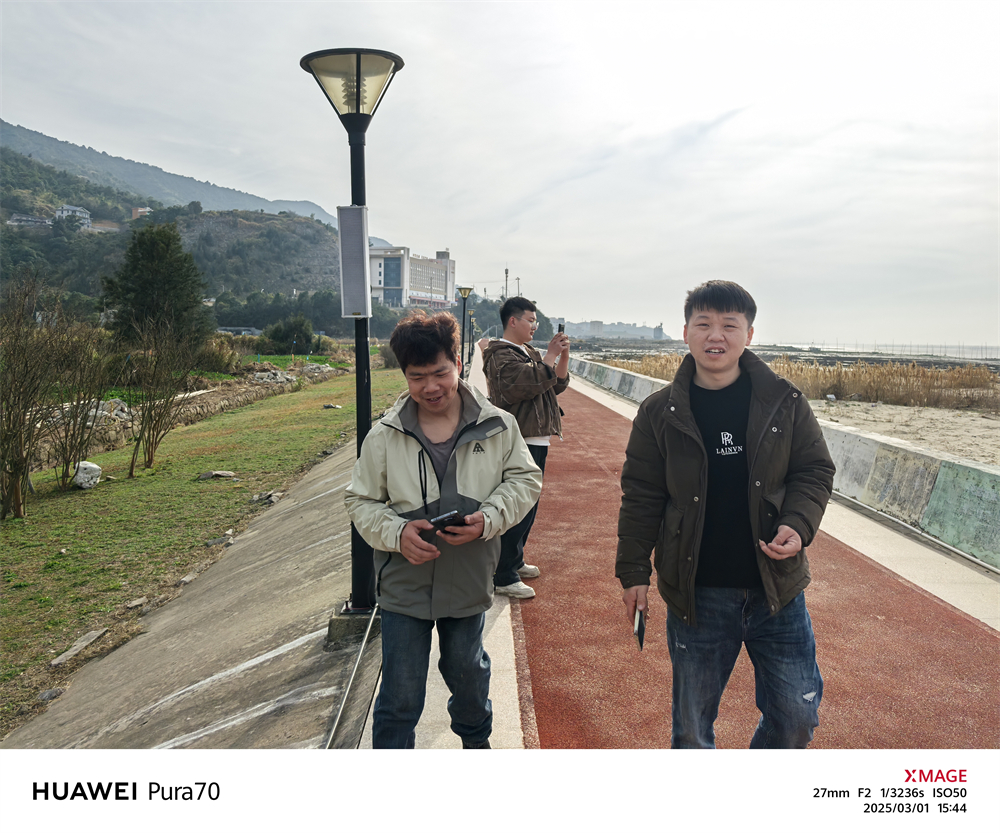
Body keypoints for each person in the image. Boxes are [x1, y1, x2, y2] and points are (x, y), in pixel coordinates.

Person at [617, 280, 835, 748]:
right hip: (698, 593)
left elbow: (814, 470)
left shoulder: (785, 402)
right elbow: (641, 495)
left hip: (776, 590)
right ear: (686, 332)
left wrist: (797, 525)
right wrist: (634, 571)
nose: (716, 335)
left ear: (749, 334)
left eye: (729, 325)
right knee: (692, 730)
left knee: (796, 717)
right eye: (704, 324)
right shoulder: (658, 413)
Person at [345, 310, 541, 749]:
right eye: (417, 377)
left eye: (440, 373)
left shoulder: (497, 426)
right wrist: (397, 533)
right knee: (399, 693)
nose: (430, 387)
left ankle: (477, 746)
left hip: (469, 578)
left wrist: (489, 518)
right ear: (404, 375)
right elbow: (360, 500)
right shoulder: (384, 435)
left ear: (458, 362)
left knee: (468, 676)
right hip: (403, 582)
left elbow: (525, 480)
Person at [482, 297, 571, 599]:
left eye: (535, 321)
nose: (534, 326)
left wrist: (562, 357)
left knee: (528, 507)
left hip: (537, 437)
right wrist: (549, 356)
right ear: (513, 321)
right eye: (530, 320)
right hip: (519, 439)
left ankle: (515, 560)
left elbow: (555, 384)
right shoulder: (500, 354)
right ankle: (503, 575)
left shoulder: (529, 352)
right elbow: (521, 386)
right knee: (517, 507)